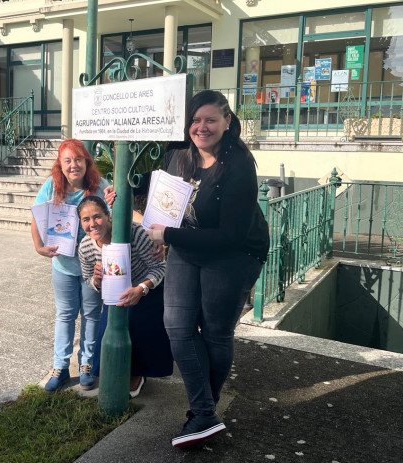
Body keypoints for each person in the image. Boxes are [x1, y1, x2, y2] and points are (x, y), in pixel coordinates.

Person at [145, 90, 270, 448]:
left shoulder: (239, 166)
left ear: (227, 121)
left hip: (235, 254)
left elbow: (231, 237)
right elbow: (165, 197)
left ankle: (202, 415)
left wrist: (167, 233)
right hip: (189, 244)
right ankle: (205, 413)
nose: (201, 127)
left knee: (215, 332)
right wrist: (129, 191)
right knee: (177, 327)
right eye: (195, 120)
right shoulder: (178, 154)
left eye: (210, 119)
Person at [31, 139, 114, 392]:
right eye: (67, 160)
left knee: (91, 315)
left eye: (78, 159)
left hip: (93, 266)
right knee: (65, 315)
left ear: (87, 162)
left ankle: (86, 364)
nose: (73, 165)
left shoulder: (99, 186)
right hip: (64, 266)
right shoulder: (52, 186)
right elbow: (35, 217)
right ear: (61, 164)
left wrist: (115, 197)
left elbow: (114, 214)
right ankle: (61, 367)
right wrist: (38, 247)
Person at [77, 195, 173, 398]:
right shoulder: (85, 246)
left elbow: (158, 267)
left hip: (146, 292)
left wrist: (142, 289)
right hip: (115, 297)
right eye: (86, 220)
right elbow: (87, 278)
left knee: (138, 326)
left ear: (108, 215)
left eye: (97, 217)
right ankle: (118, 369)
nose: (92, 224)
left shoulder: (133, 233)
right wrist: (96, 281)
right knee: (106, 335)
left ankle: (138, 374)